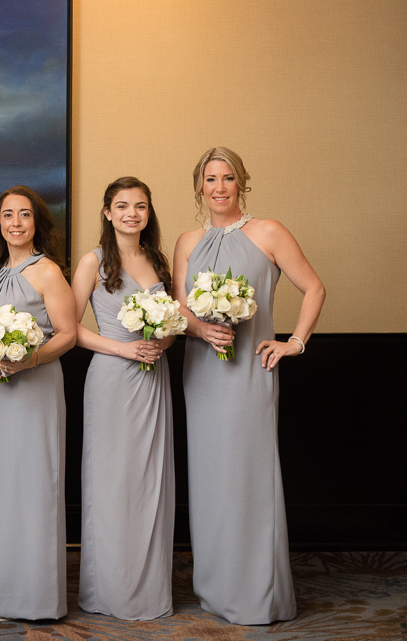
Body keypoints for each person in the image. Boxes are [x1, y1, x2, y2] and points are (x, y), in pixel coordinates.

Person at [172, 148, 326, 624]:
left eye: (229, 178)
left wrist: (294, 343)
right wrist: (200, 330)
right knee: (211, 477)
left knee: (249, 475)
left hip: (249, 375)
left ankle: (258, 593)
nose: (219, 187)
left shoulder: (269, 231)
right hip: (202, 372)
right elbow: (180, 307)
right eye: (211, 178)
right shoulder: (186, 240)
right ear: (199, 186)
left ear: (242, 183)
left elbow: (315, 287)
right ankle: (216, 587)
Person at [0, 186, 75, 620]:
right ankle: (8, 585)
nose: (15, 222)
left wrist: (26, 359)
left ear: (36, 223)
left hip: (36, 390)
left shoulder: (49, 271)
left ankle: (39, 595)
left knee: (37, 486)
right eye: (8, 215)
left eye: (24, 215)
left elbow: (67, 334)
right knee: (2, 487)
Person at [72, 177, 176, 620]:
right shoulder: (92, 263)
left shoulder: (158, 261)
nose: (132, 213)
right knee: (112, 482)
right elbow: (69, 329)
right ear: (107, 213)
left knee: (150, 482)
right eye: (122, 205)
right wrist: (124, 348)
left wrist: (160, 344)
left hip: (154, 378)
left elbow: (173, 325)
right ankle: (107, 590)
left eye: (140, 206)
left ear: (148, 213)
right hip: (113, 378)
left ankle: (147, 588)